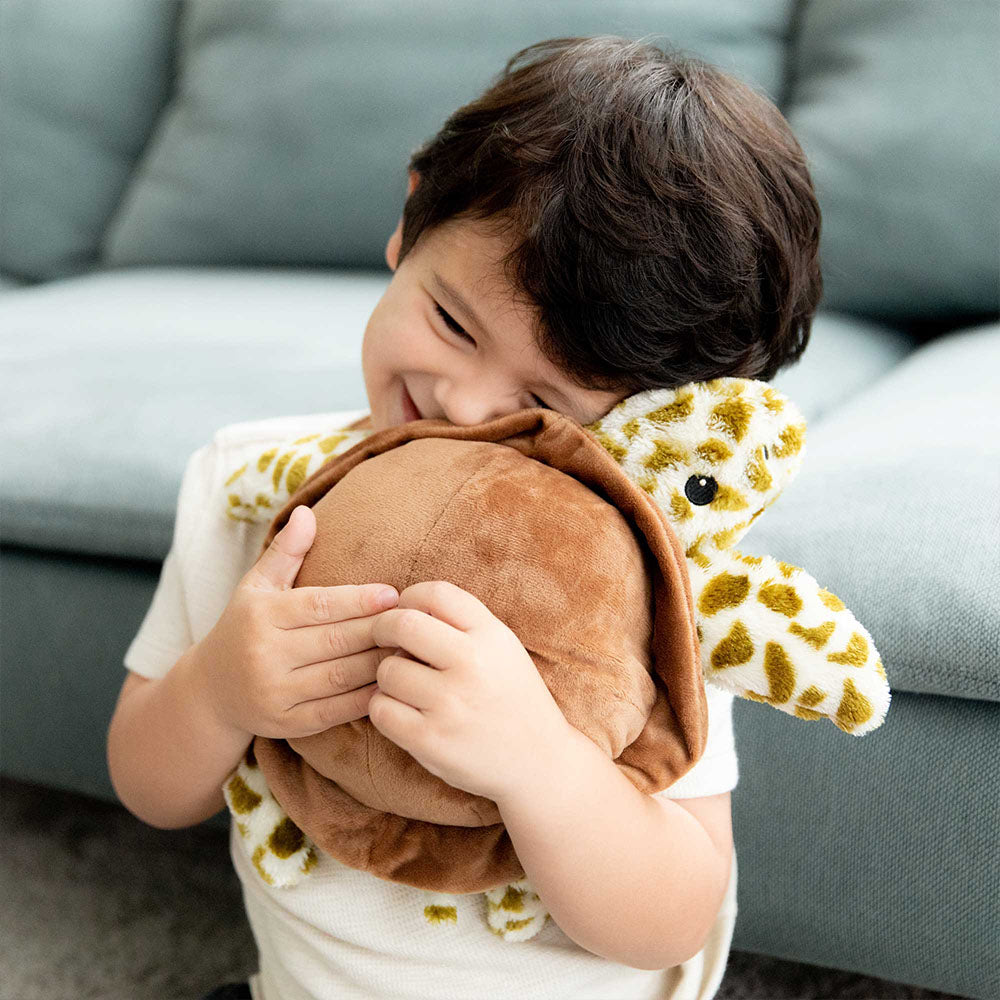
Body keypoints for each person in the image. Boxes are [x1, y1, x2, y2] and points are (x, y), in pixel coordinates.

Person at [106, 35, 821, 1000]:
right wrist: (219, 691)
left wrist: (541, 767)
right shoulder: (249, 486)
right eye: (451, 322)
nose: (468, 407)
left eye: (550, 398)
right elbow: (149, 786)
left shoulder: (656, 568)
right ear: (409, 221)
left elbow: (674, 919)